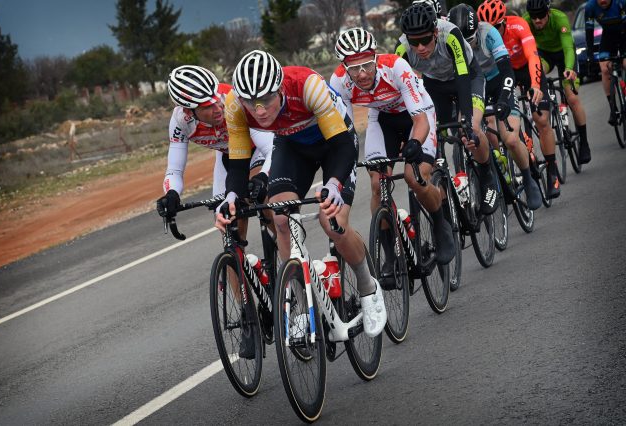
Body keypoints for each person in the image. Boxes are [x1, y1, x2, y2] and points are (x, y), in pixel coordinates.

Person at [215, 50, 387, 338]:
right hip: (292, 147)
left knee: (332, 222)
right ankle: (300, 306)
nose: (259, 111)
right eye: (251, 103)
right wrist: (231, 197)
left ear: (281, 89)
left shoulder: (307, 86)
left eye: (267, 100)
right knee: (280, 219)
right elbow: (239, 160)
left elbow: (344, 146)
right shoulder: (234, 105)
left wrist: (333, 185)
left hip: (334, 143)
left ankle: (368, 287)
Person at [155, 65, 274, 360]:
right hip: (228, 158)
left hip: (259, 150)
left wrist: (261, 180)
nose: (216, 106)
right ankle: (249, 317)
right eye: (207, 106)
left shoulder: (232, 100)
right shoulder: (180, 121)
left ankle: (282, 272)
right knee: (229, 231)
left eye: (215, 98)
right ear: (190, 111)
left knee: (271, 206)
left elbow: (272, 147)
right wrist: (171, 194)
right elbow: (174, 167)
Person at [329, 27, 455, 269]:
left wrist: (415, 143)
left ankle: (441, 226)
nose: (362, 73)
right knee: (377, 183)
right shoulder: (339, 82)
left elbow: (420, 120)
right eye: (354, 68)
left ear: (375, 58)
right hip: (382, 118)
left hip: (416, 115)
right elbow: (344, 130)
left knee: (414, 176)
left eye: (367, 64)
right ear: (344, 67)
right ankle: (390, 253)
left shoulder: (395, 67)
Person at [396, 1, 499, 216]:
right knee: (433, 137)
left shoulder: (450, 34)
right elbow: (400, 92)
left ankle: (487, 176)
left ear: (435, 31)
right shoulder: (402, 49)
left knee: (470, 127)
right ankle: (444, 197)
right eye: (415, 42)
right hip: (435, 85)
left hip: (467, 77)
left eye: (425, 40)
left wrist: (467, 119)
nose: (421, 48)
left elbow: (462, 75)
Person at [448, 3, 542, 210]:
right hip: (474, 85)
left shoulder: (489, 33)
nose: (467, 47)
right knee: (479, 130)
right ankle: (495, 168)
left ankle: (528, 178)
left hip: (498, 82)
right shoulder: (448, 38)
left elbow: (508, 71)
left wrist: (504, 97)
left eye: (470, 41)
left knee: (509, 137)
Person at [478, 0, 561, 200]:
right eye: (488, 27)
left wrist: (534, 85)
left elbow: (533, 56)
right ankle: (518, 155)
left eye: (496, 26)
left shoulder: (518, 25)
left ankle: (552, 171)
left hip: (526, 69)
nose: (492, 31)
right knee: (502, 120)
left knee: (541, 119)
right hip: (505, 74)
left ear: (504, 22)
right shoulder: (485, 36)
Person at [524, 0, 592, 164]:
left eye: (541, 15)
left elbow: (568, 47)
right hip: (544, 55)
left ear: (548, 12)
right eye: (534, 16)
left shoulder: (559, 19)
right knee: (536, 70)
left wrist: (569, 68)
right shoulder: (526, 21)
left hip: (564, 54)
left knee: (573, 98)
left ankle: (584, 141)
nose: (537, 20)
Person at [584, 0, 626, 126]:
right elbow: (589, 32)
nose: (602, 0)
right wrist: (590, 55)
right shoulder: (590, 7)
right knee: (604, 68)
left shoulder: (621, 2)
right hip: (608, 36)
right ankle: (613, 108)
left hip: (625, 34)